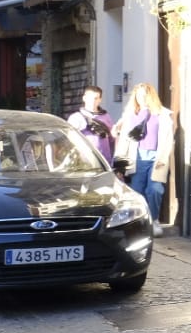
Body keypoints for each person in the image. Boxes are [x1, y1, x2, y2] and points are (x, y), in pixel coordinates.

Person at [115, 83, 174, 236]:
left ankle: (154, 220)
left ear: (151, 95)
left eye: (144, 95)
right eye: (139, 95)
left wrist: (164, 157)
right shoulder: (130, 115)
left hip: (157, 158)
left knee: (155, 190)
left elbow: (169, 140)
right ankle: (138, 224)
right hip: (137, 158)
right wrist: (119, 164)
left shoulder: (162, 114)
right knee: (137, 192)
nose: (141, 98)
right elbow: (123, 140)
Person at [67, 86, 115, 167]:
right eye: (90, 98)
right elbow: (69, 140)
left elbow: (112, 139)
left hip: (105, 161)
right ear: (84, 98)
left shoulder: (106, 117)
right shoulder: (76, 118)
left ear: (100, 100)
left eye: (96, 98)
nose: (93, 101)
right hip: (85, 162)